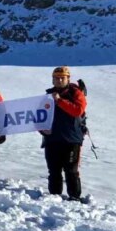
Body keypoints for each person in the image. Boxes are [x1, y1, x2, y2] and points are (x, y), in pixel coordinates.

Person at [42, 66, 87, 201]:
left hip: (72, 139)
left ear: (68, 79)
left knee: (71, 171)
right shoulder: (47, 95)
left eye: (62, 78)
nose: (59, 80)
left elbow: (77, 110)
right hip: (52, 139)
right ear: (52, 80)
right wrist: (42, 130)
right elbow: (39, 117)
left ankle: (74, 198)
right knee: (54, 171)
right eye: (57, 78)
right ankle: (55, 198)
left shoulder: (76, 93)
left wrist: (59, 101)